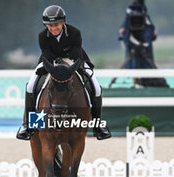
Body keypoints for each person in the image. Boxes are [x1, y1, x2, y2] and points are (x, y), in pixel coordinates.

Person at [16, 5, 111, 141]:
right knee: (30, 86)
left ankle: (97, 127)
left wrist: (68, 67)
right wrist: (53, 67)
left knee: (96, 88)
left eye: (56, 25)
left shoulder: (74, 32)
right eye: (50, 25)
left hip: (73, 59)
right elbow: (47, 54)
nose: (53, 28)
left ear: (63, 22)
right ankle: (29, 126)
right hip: (50, 61)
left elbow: (76, 53)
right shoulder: (42, 36)